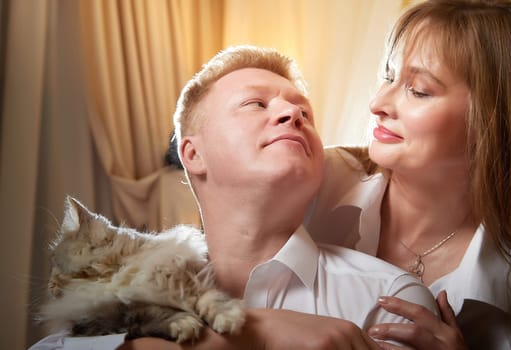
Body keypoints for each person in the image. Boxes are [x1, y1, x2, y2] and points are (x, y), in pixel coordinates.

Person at [29, 45, 437, 350]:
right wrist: (256, 333)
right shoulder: (116, 292)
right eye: (256, 104)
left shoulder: (390, 302)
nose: (292, 115)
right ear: (193, 155)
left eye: (305, 114)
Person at [306, 1, 511, 349]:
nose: (377, 103)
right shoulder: (314, 182)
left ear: (492, 120)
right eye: (389, 77)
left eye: (418, 90)